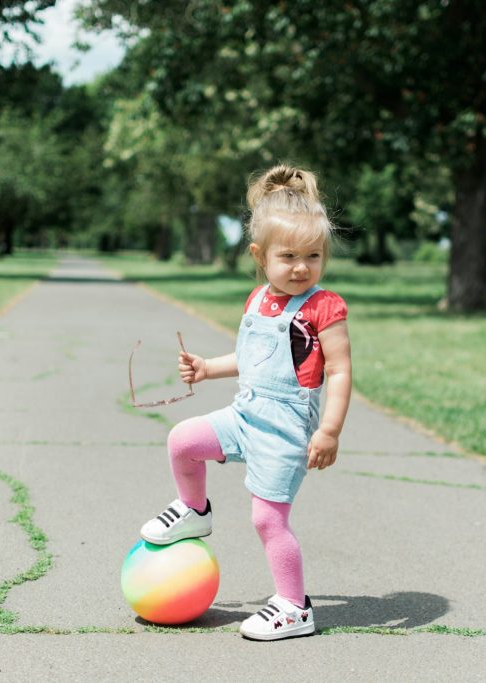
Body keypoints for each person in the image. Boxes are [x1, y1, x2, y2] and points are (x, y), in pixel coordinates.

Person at [140, 164, 352, 641]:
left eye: (314, 256)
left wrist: (330, 430)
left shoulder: (324, 307)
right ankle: (195, 510)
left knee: (267, 519)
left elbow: (339, 371)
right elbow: (253, 358)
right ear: (260, 255)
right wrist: (208, 368)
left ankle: (294, 607)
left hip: (285, 428)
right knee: (183, 440)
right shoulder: (258, 299)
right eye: (289, 256)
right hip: (245, 415)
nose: (302, 267)